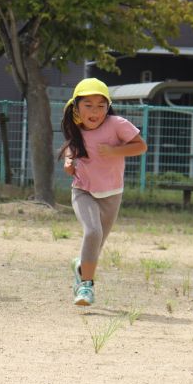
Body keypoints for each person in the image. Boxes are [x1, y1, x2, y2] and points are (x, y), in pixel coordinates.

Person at [59, 78, 147, 307]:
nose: (94, 111)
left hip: (112, 193)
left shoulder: (117, 124)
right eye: (88, 105)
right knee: (92, 232)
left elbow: (141, 146)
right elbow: (72, 147)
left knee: (97, 244)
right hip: (83, 190)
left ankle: (80, 266)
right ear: (76, 107)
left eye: (101, 105)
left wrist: (115, 150)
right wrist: (68, 161)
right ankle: (86, 287)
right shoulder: (76, 128)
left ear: (108, 107)